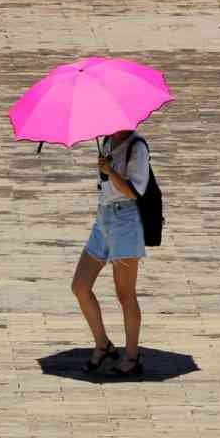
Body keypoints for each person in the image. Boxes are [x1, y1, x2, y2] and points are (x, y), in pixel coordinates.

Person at [71, 129, 150, 377]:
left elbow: (134, 192)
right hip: (103, 219)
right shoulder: (106, 141)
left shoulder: (137, 147)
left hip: (125, 221)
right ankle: (103, 344)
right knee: (80, 286)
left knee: (125, 294)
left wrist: (111, 171)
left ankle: (132, 357)